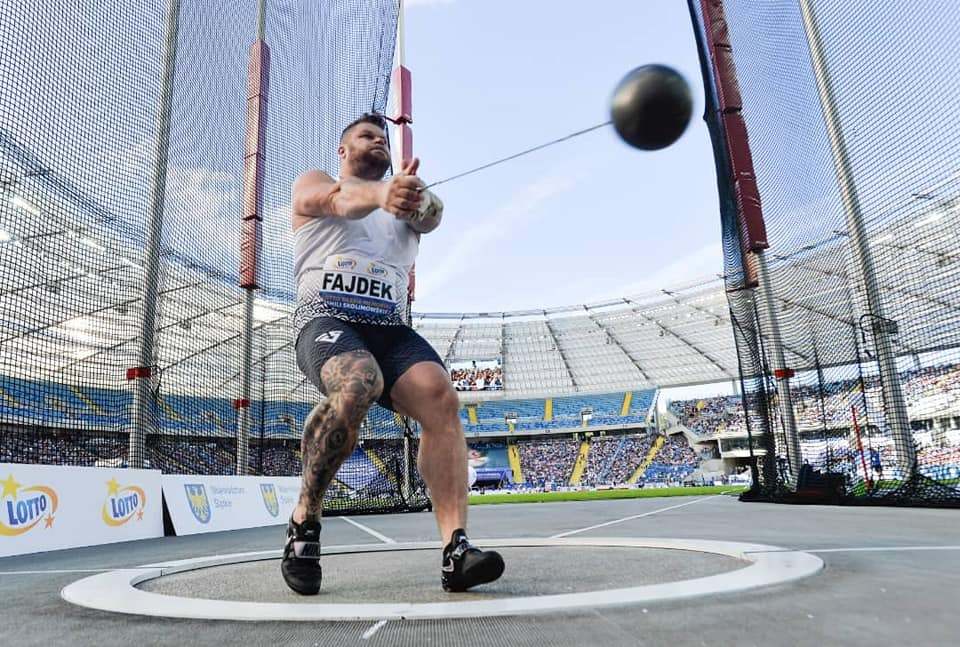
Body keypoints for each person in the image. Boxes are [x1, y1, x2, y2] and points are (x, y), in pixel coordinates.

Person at [282, 113, 504, 595]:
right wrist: (383, 194)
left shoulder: (403, 201)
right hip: (327, 317)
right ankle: (305, 521)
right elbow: (336, 201)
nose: (378, 141)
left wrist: (419, 200)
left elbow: (434, 216)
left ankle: (456, 549)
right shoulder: (316, 182)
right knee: (360, 381)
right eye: (366, 136)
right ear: (343, 151)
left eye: (384, 138)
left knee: (440, 396)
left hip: (390, 327)